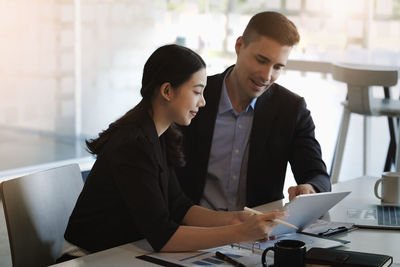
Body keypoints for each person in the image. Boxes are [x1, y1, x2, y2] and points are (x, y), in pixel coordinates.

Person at [58, 44, 286, 262]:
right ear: (167, 91)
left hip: (123, 252)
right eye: (197, 92)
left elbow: (180, 207)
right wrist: (240, 233)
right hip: (87, 258)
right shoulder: (132, 144)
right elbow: (163, 236)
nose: (203, 102)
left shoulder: (162, 135)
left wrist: (237, 219)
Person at [176, 11, 331, 212]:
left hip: (259, 236)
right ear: (239, 46)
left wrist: (310, 188)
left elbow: (318, 176)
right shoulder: (194, 96)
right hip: (195, 231)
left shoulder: (292, 109)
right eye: (261, 60)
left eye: (277, 67)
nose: (267, 76)